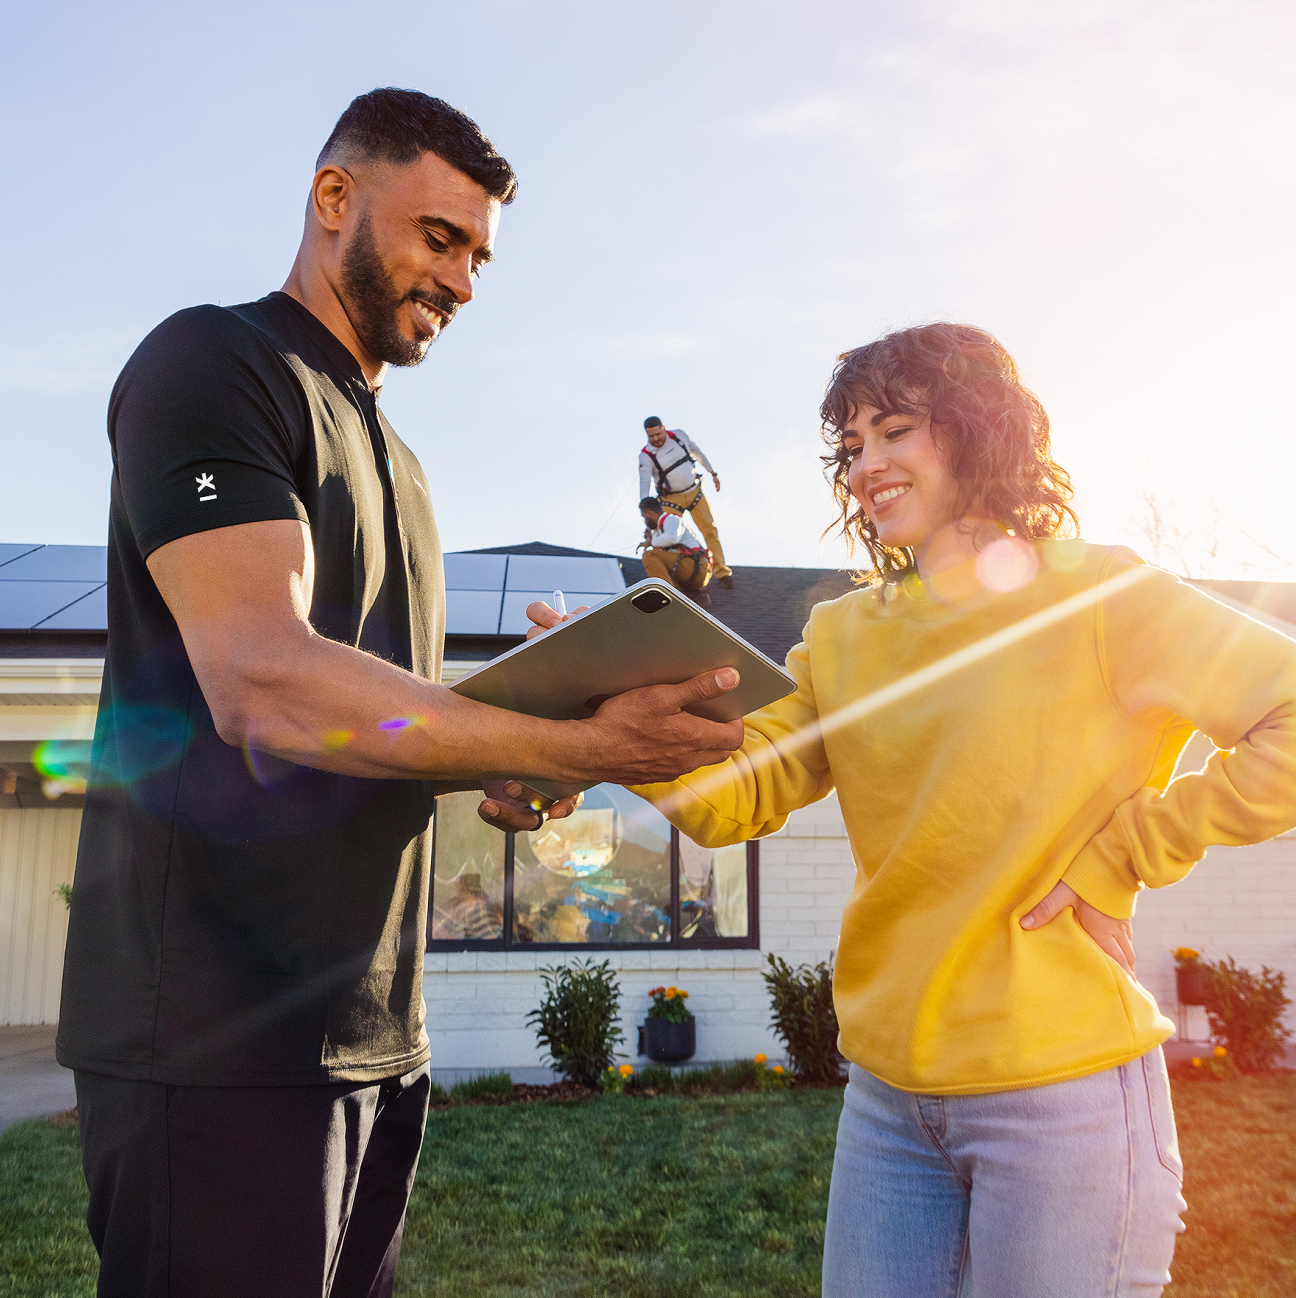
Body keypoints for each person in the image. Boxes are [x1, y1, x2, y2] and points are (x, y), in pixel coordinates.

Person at [57, 87, 743, 1298]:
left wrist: (535, 743)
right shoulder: (214, 363)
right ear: (334, 200)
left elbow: (380, 713)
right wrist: (556, 734)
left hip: (376, 1032)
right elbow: (265, 684)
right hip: (216, 1037)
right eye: (440, 237)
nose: (466, 280)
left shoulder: (401, 462)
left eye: (479, 254)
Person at [536, 323, 1296, 1296]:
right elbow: (746, 789)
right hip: (888, 1102)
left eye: (895, 430)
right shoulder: (845, 631)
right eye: (852, 445)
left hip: (1060, 1086)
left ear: (982, 431)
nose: (865, 466)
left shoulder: (1100, 593)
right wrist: (613, 724)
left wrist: (1128, 850)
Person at [638, 416, 734, 587]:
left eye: (658, 434)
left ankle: (721, 572)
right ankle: (668, 579)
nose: (655, 439)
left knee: (710, 530)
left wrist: (713, 473)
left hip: (694, 492)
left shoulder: (679, 436)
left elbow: (697, 452)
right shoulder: (646, 455)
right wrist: (645, 508)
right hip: (670, 499)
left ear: (664, 428)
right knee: (663, 536)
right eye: (651, 436)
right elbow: (644, 481)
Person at [638, 495, 713, 605]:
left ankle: (667, 594)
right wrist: (652, 540)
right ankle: (680, 599)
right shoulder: (659, 531)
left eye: (644, 517)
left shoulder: (671, 519)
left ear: (648, 512)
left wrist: (651, 542)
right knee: (656, 560)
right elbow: (661, 559)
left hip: (695, 567)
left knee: (648, 555)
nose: (645, 521)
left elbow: (672, 537)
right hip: (691, 572)